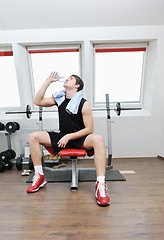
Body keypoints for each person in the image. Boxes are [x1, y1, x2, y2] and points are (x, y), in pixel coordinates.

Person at [27, 72, 110, 206]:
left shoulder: (84, 104)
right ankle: (40, 176)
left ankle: (100, 185)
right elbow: (37, 101)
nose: (67, 79)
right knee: (33, 136)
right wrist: (48, 81)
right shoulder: (59, 99)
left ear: (77, 86)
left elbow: (89, 129)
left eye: (71, 79)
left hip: (79, 137)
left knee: (98, 139)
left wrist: (69, 136)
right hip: (62, 135)